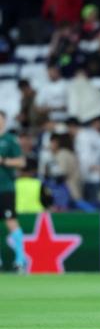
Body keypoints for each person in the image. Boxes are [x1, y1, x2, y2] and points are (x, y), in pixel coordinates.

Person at [0, 111, 26, 272]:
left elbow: (21, 162)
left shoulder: (9, 140)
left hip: (5, 188)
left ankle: (20, 259)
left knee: (11, 221)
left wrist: (3, 161)